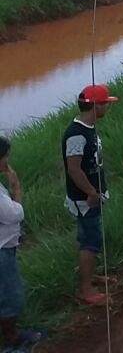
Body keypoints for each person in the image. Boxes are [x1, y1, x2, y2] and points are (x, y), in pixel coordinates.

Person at [64, 84, 115, 306]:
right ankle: (85, 289)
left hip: (92, 194)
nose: (107, 107)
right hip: (85, 199)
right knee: (90, 241)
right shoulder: (76, 134)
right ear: (95, 106)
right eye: (105, 103)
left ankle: (90, 276)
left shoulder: (88, 127)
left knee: (90, 238)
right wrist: (91, 192)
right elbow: (73, 169)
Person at [0, 137, 43, 350]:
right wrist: (16, 187)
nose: (7, 161)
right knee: (10, 295)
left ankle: (11, 335)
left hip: (5, 246)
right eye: (5, 156)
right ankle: (11, 339)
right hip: (2, 250)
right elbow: (13, 215)